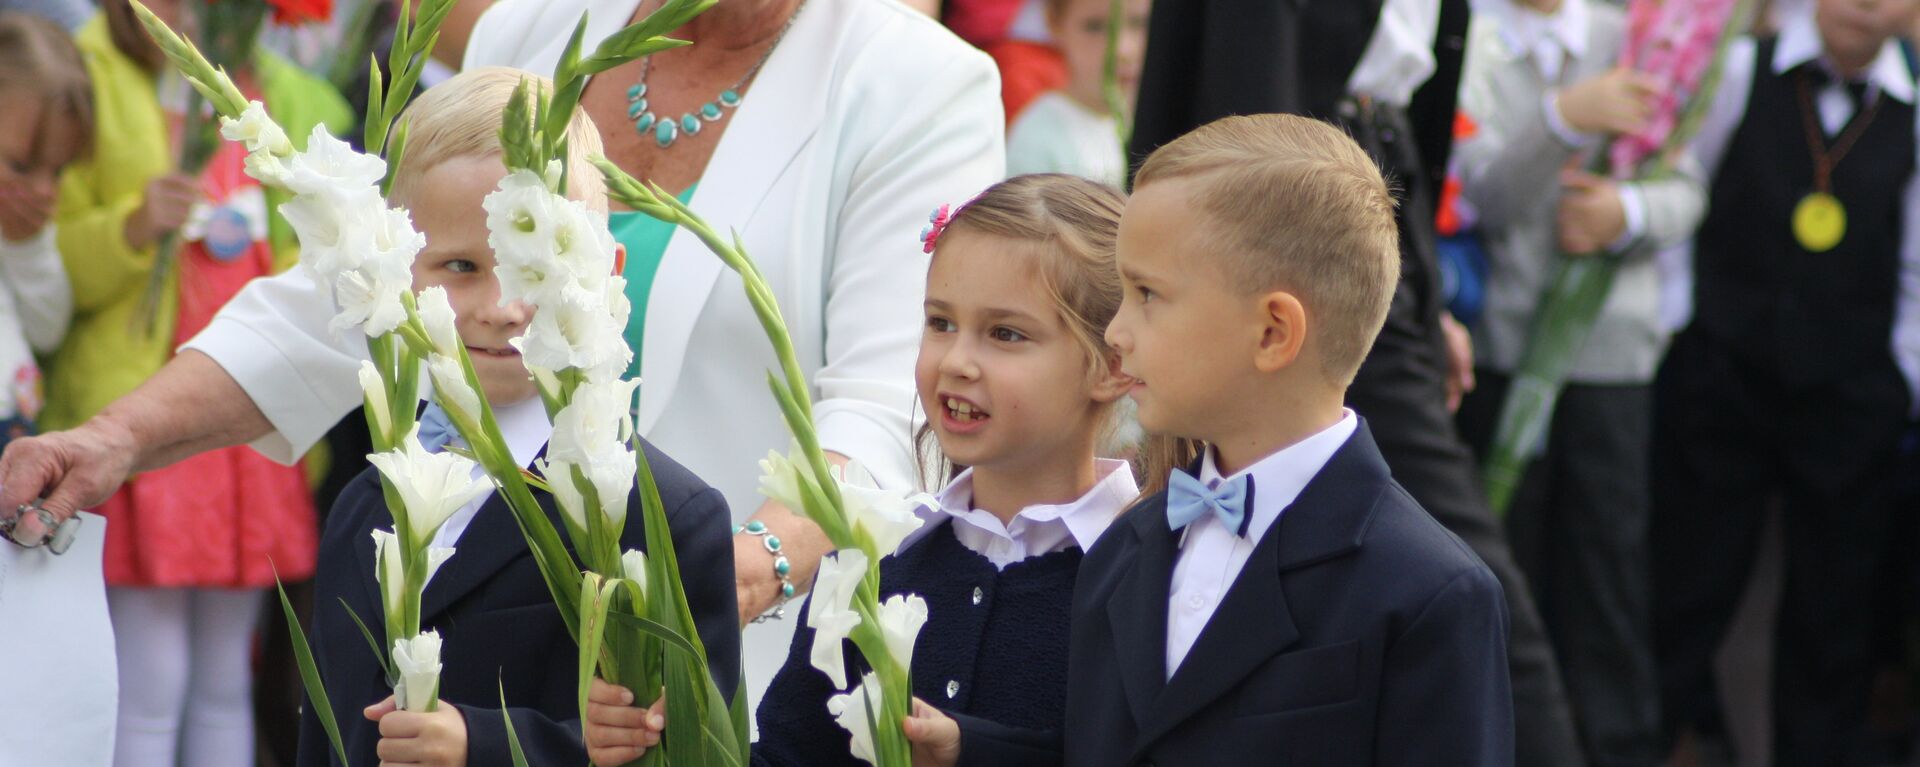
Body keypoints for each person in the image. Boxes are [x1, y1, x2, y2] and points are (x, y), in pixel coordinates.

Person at [0, 0, 1004, 718]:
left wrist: (730, 573)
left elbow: (889, 408)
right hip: (465, 666)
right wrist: (114, 435)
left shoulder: (916, 83)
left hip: (713, 675)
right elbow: (354, 282)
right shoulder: (539, 28)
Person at [1124, 1, 1585, 762]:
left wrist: (1415, 292)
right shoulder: (1122, 558)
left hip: (1363, 224)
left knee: (1444, 585)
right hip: (1266, 224)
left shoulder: (1443, 596)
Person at [582, 174, 1146, 766]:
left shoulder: (1147, 571)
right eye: (940, 323)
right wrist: (666, 743)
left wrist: (973, 753)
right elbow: (791, 754)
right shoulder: (873, 556)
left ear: (1112, 365)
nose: (956, 361)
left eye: (1005, 334)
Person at [298, 68, 739, 767]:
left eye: (531, 270)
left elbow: (694, 751)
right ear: (399, 272)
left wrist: (486, 744)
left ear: (607, 267)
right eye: (460, 265)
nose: (501, 305)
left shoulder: (663, 520)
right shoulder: (363, 505)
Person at [1061, 113, 1512, 764]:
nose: (1116, 331)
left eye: (1148, 294)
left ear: (1273, 332)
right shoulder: (1119, 553)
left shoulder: (1429, 594)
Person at [43, 2, 350, 765]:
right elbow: (43, 266)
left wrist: (284, 258)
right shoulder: (84, 76)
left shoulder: (296, 96)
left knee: (223, 676)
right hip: (144, 419)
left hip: (247, 428)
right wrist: (129, 228)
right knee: (148, 676)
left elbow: (330, 265)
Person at [1650, 0, 1920, 761]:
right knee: (1688, 581)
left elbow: (1914, 268)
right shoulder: (1742, 69)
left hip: (1850, 394)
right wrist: (1680, 326)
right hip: (1723, 372)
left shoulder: (1911, 111)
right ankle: (1651, 736)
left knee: (1832, 614)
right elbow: (1686, 185)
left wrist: (1900, 383)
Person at [1447, 0, 1708, 763]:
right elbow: (1479, 194)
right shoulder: (1475, 38)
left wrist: (1623, 211)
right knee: (1506, 552)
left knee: (1609, 567)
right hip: (1503, 344)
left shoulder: (1627, 38)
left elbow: (1686, 190)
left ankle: (1618, 741)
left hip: (1608, 358)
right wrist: (1560, 119)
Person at [0, 12, 86, 457]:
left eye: (58, 171)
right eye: (20, 165)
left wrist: (25, 245)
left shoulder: (21, 229)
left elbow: (46, 329)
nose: (42, 190)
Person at [1003, 0, 1147, 187]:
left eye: (1139, 23)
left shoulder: (1163, 116)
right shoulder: (1037, 139)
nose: (1123, 50)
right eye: (1095, 27)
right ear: (1054, 23)